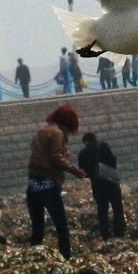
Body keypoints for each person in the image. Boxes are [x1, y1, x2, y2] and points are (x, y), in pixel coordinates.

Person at [26, 105, 86, 259]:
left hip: (33, 183)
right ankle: (66, 257)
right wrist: (75, 170)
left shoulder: (42, 131)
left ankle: (33, 258)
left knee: (38, 227)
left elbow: (40, 153)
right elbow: (55, 157)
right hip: (49, 184)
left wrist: (62, 153)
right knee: (61, 226)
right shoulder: (58, 132)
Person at [78, 133, 125, 240]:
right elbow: (113, 162)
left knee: (102, 210)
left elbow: (83, 172)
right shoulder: (103, 146)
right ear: (95, 139)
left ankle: (105, 235)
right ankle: (119, 234)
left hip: (97, 185)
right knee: (117, 208)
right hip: (111, 182)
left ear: (85, 142)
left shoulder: (82, 153)